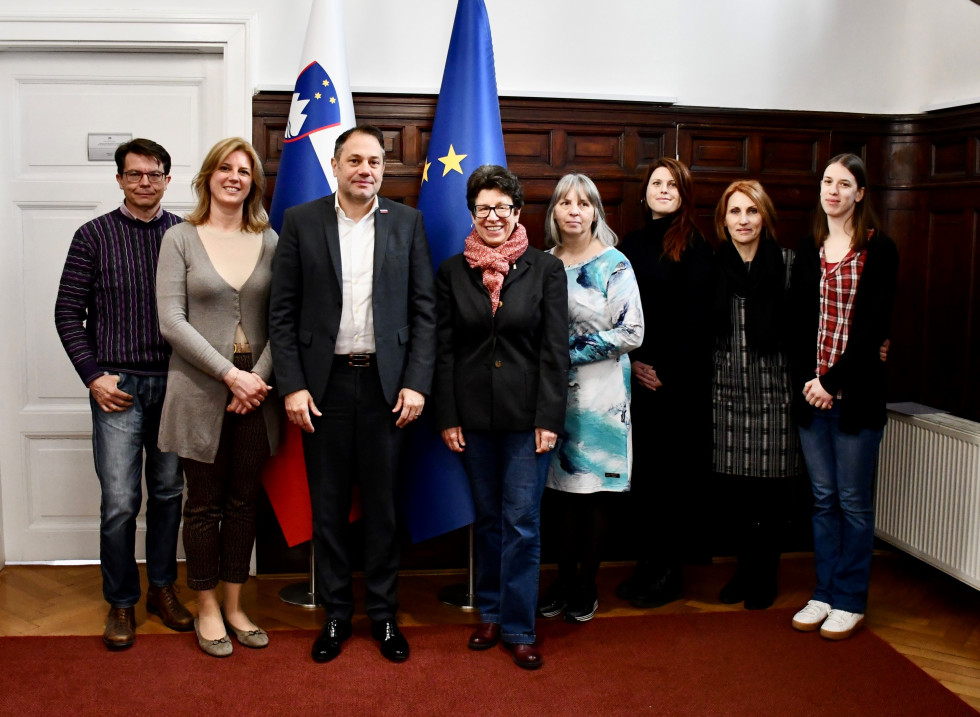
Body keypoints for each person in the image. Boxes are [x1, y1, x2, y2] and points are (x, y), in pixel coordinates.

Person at [268, 124, 436, 664]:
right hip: (326, 387)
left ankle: (384, 617)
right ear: (336, 167)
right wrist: (291, 385)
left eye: (376, 162)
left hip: (389, 388)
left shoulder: (407, 223)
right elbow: (282, 311)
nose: (367, 169)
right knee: (330, 507)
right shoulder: (302, 221)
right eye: (356, 160)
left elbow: (424, 312)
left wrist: (415, 381)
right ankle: (337, 614)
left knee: (385, 508)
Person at [54, 138, 193, 650]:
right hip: (116, 387)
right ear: (119, 179)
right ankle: (121, 601)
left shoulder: (184, 235)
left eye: (154, 175)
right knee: (118, 502)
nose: (144, 183)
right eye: (134, 174)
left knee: (167, 495)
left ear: (167, 180)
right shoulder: (91, 237)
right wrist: (93, 375)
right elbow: (68, 312)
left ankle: (161, 589)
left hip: (176, 385)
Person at [434, 165, 568, 670]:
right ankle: (489, 612)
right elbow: (443, 350)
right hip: (471, 418)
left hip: (528, 420)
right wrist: (446, 415)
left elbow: (555, 351)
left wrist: (549, 417)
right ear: (472, 213)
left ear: (517, 213)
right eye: (483, 208)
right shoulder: (451, 272)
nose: (493, 217)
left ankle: (518, 625)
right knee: (489, 520)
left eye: (502, 208)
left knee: (522, 523)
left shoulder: (545, 270)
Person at [156, 137, 280, 657]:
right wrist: (232, 375)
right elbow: (171, 321)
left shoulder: (270, 239)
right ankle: (206, 607)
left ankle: (234, 604)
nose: (234, 176)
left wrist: (257, 379)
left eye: (244, 170)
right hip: (199, 387)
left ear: (253, 181)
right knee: (203, 506)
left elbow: (283, 319)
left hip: (259, 390)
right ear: (208, 176)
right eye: (225, 168)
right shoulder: (180, 238)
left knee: (243, 503)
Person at [789, 154, 898, 640]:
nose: (833, 190)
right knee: (823, 499)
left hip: (854, 397)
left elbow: (873, 327)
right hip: (812, 395)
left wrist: (832, 383)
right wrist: (812, 384)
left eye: (845, 183)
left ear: (861, 194)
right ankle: (823, 592)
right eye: (827, 181)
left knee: (853, 502)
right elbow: (797, 325)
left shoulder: (880, 249)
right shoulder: (809, 246)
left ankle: (850, 599)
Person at [536, 173, 643, 623]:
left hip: (602, 401)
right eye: (565, 203)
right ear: (554, 212)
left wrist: (563, 353)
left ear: (595, 211)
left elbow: (632, 332)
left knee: (592, 495)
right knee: (559, 496)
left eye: (583, 203)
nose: (574, 210)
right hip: (551, 399)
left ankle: (585, 585)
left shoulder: (614, 264)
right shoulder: (542, 263)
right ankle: (561, 581)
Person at [616, 158, 713, 607]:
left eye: (673, 184)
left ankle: (669, 574)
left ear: (684, 194)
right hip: (636, 379)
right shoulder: (630, 243)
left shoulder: (693, 244)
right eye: (656, 182)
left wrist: (662, 370)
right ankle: (648, 566)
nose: (663, 189)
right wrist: (635, 362)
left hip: (677, 384)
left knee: (672, 481)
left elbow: (696, 319)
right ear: (645, 191)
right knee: (646, 480)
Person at [711, 180, 801, 610]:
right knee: (738, 496)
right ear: (723, 219)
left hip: (775, 390)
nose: (743, 220)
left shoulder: (787, 264)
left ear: (764, 216)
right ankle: (743, 572)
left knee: (772, 497)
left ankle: (766, 575)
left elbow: (811, 325)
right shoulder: (714, 265)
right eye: (735, 212)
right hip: (727, 390)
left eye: (751, 211)